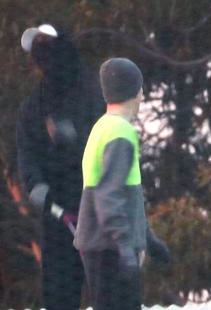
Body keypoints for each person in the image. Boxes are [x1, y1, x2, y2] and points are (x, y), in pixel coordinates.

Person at [16, 24, 105, 310]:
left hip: (99, 210)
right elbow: (27, 157)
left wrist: (75, 138)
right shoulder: (32, 107)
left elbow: (113, 148)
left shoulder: (94, 89)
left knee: (107, 296)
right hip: (57, 218)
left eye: (48, 44)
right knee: (59, 298)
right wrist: (36, 187)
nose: (43, 54)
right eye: (37, 48)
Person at [73, 58, 170, 310]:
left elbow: (127, 196)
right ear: (135, 92)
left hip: (102, 244)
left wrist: (147, 237)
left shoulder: (102, 127)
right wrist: (125, 246)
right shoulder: (121, 132)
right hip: (110, 249)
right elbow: (108, 194)